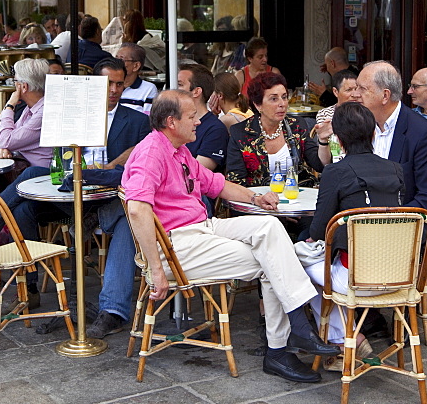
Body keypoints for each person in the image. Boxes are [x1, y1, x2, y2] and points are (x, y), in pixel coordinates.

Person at [123, 90, 339, 383]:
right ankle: (282, 346)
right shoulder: (151, 152)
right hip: (176, 245)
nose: (199, 122)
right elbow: (137, 210)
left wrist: (255, 197)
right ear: (171, 122)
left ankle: (297, 330)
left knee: (270, 228)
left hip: (200, 228)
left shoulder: (177, 149)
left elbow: (216, 183)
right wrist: (157, 270)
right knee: (273, 260)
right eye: (192, 117)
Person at [0, 58, 149, 314]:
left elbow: (140, 159)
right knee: (23, 207)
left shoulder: (137, 121)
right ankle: (29, 286)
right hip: (71, 191)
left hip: (109, 197)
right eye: (109, 84)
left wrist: (107, 168)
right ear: (95, 84)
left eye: (120, 84)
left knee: (30, 175)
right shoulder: (73, 112)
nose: (114, 90)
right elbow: (60, 154)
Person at [305, 102, 403, 360]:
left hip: (356, 279)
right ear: (373, 134)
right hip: (400, 275)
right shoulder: (395, 169)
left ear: (338, 138)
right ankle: (347, 338)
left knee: (296, 261)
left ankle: (344, 339)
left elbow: (317, 230)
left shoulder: (335, 172)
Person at [316, 61, 427, 249]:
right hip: (360, 222)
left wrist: (386, 225)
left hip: (408, 224)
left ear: (385, 95)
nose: (355, 95)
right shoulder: (361, 124)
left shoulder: (421, 133)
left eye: (362, 89)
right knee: (311, 236)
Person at [225, 72, 324, 188]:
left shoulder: (296, 125)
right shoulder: (240, 133)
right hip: (257, 201)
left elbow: (319, 164)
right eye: (274, 99)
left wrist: (323, 141)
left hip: (294, 197)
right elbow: (235, 181)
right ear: (258, 105)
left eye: (284, 97)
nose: (282, 104)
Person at [0, 58, 51, 174]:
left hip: (38, 174)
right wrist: (4, 148)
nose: (14, 85)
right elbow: (6, 139)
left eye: (15, 81)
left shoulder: (44, 112)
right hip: (22, 164)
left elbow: (6, 140)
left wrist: (9, 105)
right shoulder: (30, 108)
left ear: (24, 87)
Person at [178, 63, 228, 171]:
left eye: (180, 84)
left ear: (196, 92)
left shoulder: (215, 130)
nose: (173, 89)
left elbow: (196, 171)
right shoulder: (172, 123)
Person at [115, 42, 158, 114]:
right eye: (116, 58)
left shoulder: (148, 89)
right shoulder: (109, 86)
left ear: (136, 66)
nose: (116, 63)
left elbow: (148, 120)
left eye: (121, 60)